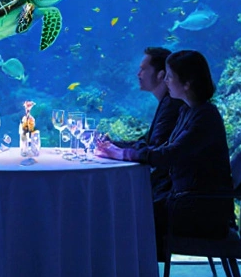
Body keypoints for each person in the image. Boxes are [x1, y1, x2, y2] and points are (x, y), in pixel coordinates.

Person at [95, 49, 233, 247]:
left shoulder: (205, 117)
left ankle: (129, 276)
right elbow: (163, 148)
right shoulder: (188, 110)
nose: (165, 80)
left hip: (200, 213)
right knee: (124, 208)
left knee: (122, 213)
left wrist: (122, 153)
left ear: (187, 83)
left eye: (169, 76)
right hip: (185, 202)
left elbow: (169, 154)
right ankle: (130, 274)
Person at [106, 47, 184, 201]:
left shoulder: (172, 105)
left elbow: (156, 149)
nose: (138, 74)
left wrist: (120, 152)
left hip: (170, 193)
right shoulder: (166, 103)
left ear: (161, 75)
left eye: (143, 69)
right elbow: (148, 142)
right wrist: (113, 144)